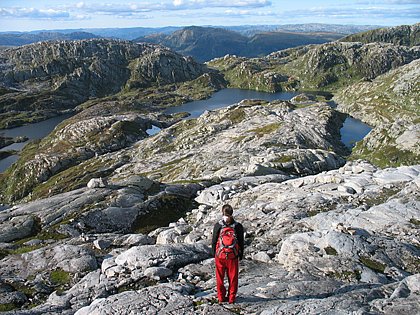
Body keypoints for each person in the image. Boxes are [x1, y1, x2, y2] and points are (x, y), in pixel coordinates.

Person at [211, 204, 244, 304]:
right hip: (232, 256)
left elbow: (213, 241)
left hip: (220, 256)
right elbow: (241, 242)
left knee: (220, 278)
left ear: (222, 212)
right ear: (232, 213)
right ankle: (231, 298)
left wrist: (214, 254)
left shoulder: (218, 225)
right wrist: (240, 255)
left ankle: (221, 297)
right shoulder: (238, 226)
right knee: (233, 278)